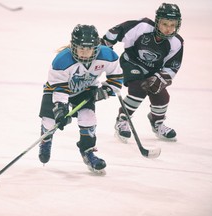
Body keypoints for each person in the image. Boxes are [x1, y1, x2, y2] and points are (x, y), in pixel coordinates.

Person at [38, 24, 123, 173]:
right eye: (81, 48)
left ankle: (88, 152)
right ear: (73, 46)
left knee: (88, 117)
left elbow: (116, 79)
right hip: (56, 90)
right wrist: (61, 110)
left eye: (88, 48)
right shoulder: (62, 60)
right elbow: (59, 88)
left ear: (96, 47)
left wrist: (105, 91)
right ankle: (46, 139)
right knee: (50, 122)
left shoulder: (107, 56)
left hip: (85, 91)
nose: (84, 53)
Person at [101, 3, 184, 142]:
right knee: (138, 89)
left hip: (153, 71)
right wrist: (105, 46)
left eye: (172, 25)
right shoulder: (142, 26)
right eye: (165, 24)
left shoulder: (176, 42)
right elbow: (117, 31)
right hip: (131, 62)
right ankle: (122, 119)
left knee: (162, 97)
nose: (168, 29)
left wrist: (160, 79)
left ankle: (157, 123)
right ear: (157, 21)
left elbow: (172, 67)